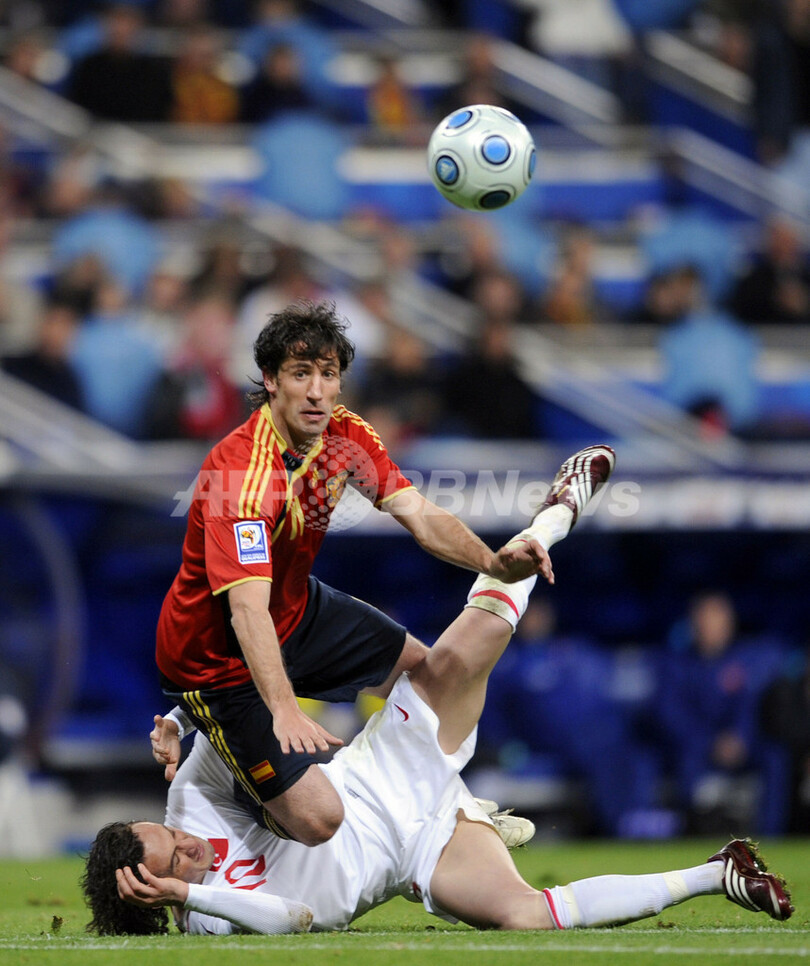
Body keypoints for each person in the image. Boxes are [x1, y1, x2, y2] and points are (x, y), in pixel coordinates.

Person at [81, 445, 794, 934]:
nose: (185, 844)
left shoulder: (188, 804)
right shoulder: (201, 913)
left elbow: (227, 719)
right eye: (174, 858)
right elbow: (291, 919)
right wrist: (186, 892)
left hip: (382, 773)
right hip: (413, 854)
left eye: (168, 835)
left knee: (452, 658)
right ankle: (717, 872)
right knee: (526, 916)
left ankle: (557, 513)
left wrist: (182, 713)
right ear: (155, 896)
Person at [155, 300, 551, 848]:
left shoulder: (345, 436)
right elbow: (245, 608)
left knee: (436, 676)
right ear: (270, 381)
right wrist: (285, 709)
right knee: (320, 822)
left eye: (329, 374)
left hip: (295, 611)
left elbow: (418, 513)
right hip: (216, 659)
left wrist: (490, 561)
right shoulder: (239, 471)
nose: (318, 390)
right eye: (300, 374)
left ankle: (440, 811)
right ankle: (229, 766)